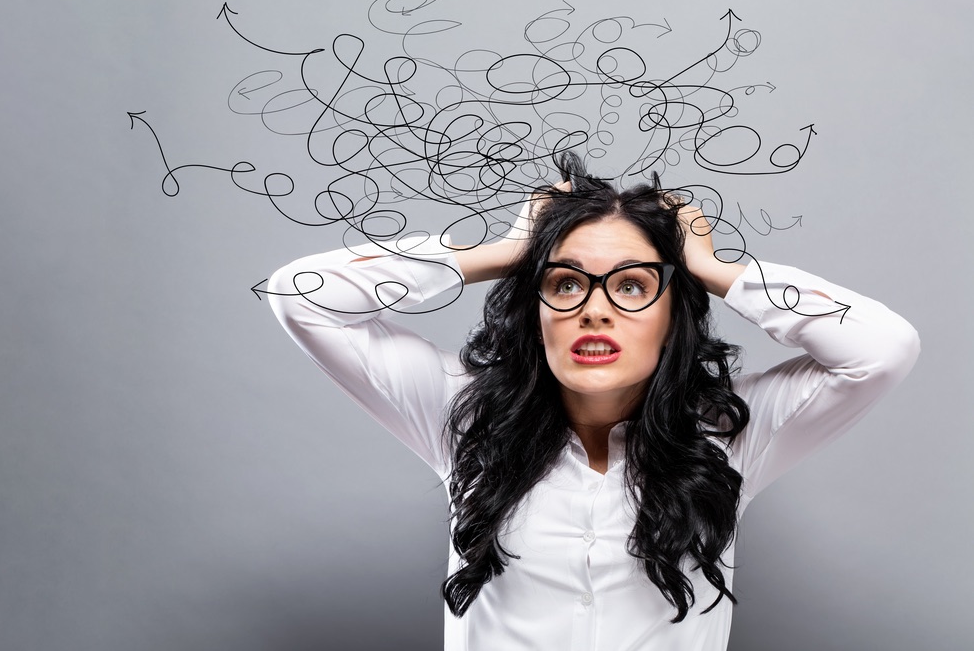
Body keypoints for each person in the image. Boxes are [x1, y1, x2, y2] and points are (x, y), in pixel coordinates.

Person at [266, 151, 919, 650]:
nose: (595, 311)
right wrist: (504, 252)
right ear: (536, 308)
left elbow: (883, 347)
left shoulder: (732, 439)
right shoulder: (461, 418)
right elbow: (301, 294)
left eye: (632, 286)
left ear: (673, 315)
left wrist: (720, 271)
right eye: (566, 282)